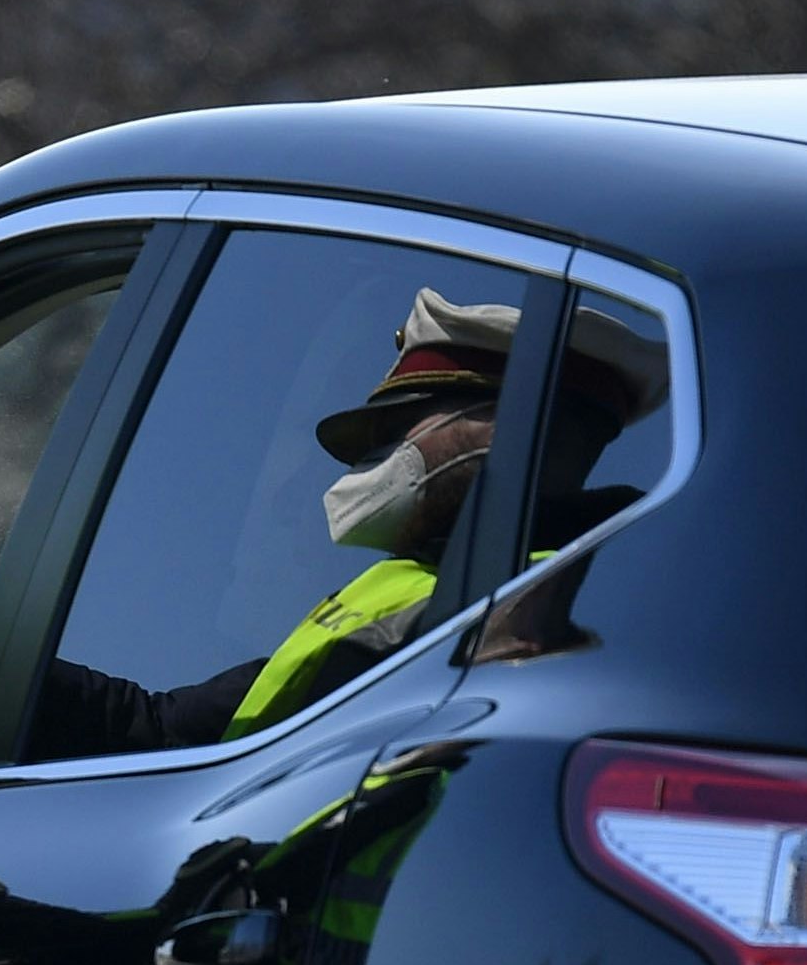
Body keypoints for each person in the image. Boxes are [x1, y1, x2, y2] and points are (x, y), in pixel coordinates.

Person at [34, 288, 667, 756]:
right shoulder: (411, 589)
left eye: (398, 433)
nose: (374, 465)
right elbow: (166, 731)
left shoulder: (541, 618)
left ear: (504, 435)